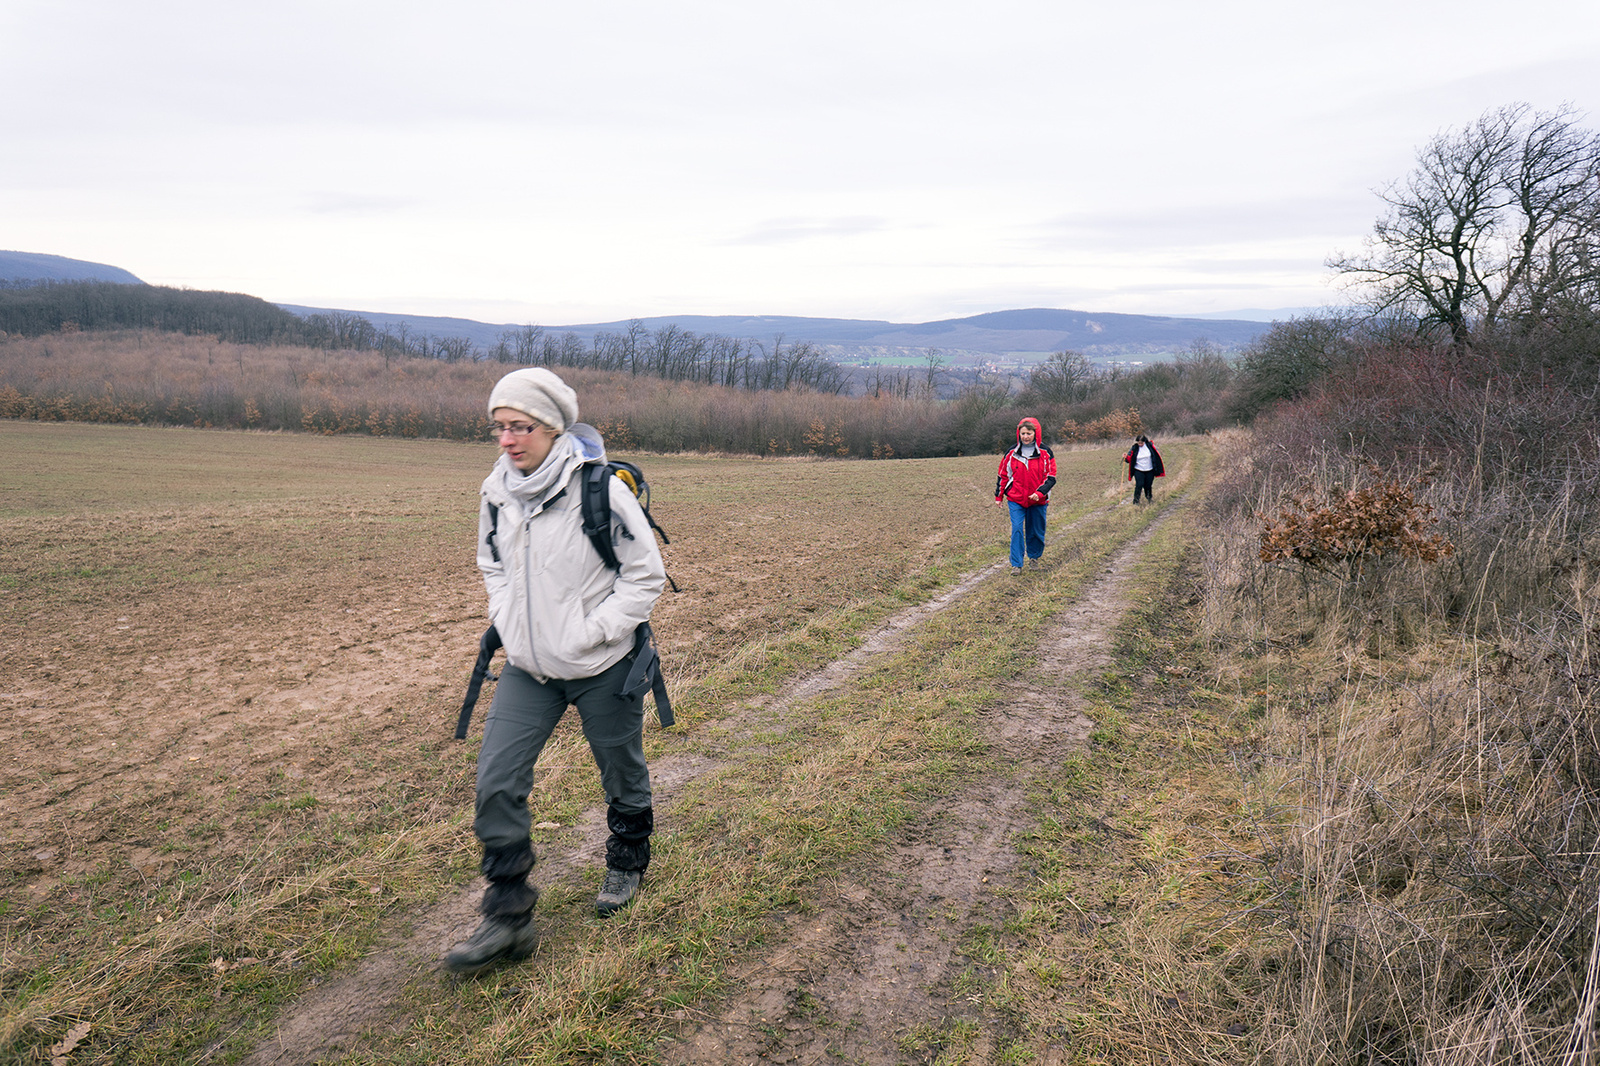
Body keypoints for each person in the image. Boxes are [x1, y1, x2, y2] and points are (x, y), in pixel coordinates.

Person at [445, 367, 667, 976]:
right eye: (499, 427)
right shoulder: (495, 491)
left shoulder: (599, 490)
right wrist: (507, 619)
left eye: (520, 427)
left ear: (552, 428)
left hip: (601, 664)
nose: (507, 440)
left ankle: (626, 860)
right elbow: (491, 563)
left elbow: (645, 575)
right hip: (528, 667)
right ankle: (509, 917)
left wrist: (593, 632)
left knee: (621, 768)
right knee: (495, 781)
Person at [994, 417, 1056, 572]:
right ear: (1018, 434)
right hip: (1016, 498)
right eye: (1023, 433)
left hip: (1038, 500)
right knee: (1016, 529)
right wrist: (999, 496)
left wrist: (1039, 493)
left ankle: (1034, 558)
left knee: (1035, 530)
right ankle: (1016, 564)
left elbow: (1051, 476)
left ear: (1036, 433)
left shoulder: (1045, 452)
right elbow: (1003, 474)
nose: (1026, 436)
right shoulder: (1011, 453)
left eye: (1029, 433)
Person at [1123, 434, 1164, 504]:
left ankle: (1149, 499)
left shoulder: (1150, 446)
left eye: (1141, 443)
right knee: (1139, 485)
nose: (1140, 444)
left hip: (1149, 469)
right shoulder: (1134, 448)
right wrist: (1126, 457)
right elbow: (1129, 459)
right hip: (1138, 469)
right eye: (1138, 442)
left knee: (1148, 485)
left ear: (1145, 441)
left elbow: (1156, 455)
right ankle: (1136, 501)